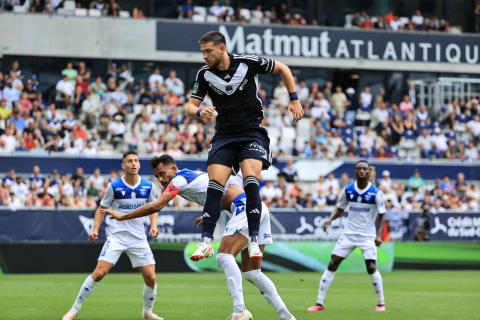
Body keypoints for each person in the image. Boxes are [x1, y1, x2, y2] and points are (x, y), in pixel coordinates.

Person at [104, 154, 296, 320]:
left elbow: (156, 206)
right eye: (157, 176)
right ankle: (286, 316)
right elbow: (224, 193)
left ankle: (240, 311)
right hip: (258, 209)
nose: (161, 179)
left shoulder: (180, 178)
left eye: (163, 174)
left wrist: (124, 216)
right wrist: (208, 214)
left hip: (244, 209)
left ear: (174, 168)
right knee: (253, 272)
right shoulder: (196, 177)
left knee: (224, 256)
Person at [184, 31, 304, 261]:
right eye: (203, 52)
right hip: (225, 135)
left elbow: (283, 69)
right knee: (215, 185)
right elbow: (189, 106)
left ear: (222, 49)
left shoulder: (247, 62)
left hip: (251, 132)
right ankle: (206, 242)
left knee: (251, 180)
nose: (204, 56)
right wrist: (199, 110)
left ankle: (254, 241)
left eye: (208, 51)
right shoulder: (204, 74)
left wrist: (294, 99)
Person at [62, 151, 163, 320]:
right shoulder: (114, 186)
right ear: (123, 165)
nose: (133, 164)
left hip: (138, 238)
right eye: (129, 161)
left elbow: (154, 208)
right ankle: (74, 310)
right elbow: (101, 209)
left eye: (136, 161)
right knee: (99, 273)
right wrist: (95, 229)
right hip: (117, 236)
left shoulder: (149, 186)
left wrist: (153, 225)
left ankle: (147, 312)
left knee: (151, 278)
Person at [307, 160, 387, 313]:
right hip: (349, 234)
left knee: (371, 267)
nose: (362, 171)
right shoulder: (348, 190)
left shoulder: (376, 193)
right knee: (332, 264)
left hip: (367, 236)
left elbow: (383, 216)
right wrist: (330, 219)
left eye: (364, 169)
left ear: (368, 172)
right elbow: (340, 209)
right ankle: (319, 303)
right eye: (359, 169)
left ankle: (381, 303)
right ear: (355, 172)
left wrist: (378, 235)